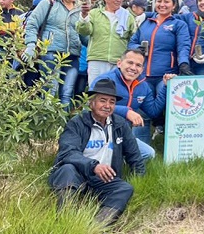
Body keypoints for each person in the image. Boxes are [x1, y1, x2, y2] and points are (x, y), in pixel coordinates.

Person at [48, 77, 145, 226]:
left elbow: (135, 157)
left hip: (103, 180)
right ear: (91, 103)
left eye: (112, 102)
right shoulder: (77, 123)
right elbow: (67, 153)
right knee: (67, 169)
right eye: (103, 100)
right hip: (77, 175)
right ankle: (65, 221)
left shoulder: (120, 124)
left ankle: (96, 227)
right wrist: (93, 166)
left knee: (125, 188)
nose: (107, 105)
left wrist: (140, 181)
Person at [23, 0, 85, 109]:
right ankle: (45, 123)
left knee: (67, 93)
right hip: (51, 52)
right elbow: (32, 24)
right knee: (50, 89)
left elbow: (85, 35)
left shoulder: (80, 8)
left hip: (72, 55)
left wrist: (86, 21)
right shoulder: (49, 4)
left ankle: (64, 126)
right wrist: (31, 45)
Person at [92, 49, 160, 158]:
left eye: (138, 65)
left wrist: (166, 86)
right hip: (97, 133)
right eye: (130, 62)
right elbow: (92, 104)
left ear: (142, 69)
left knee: (148, 153)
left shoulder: (143, 87)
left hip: (122, 134)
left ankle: (128, 170)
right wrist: (126, 112)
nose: (133, 68)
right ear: (119, 63)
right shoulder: (105, 80)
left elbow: (153, 111)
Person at [128, 0, 191, 97]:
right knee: (144, 110)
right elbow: (131, 43)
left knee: (165, 107)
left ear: (173, 5)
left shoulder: (179, 24)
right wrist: (137, 48)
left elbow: (183, 46)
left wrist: (184, 63)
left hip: (166, 75)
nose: (162, 5)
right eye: (159, 1)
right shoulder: (145, 22)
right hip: (143, 75)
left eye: (166, 2)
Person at [77, 0, 137, 84]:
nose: (118, 0)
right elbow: (84, 31)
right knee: (95, 90)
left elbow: (133, 37)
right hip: (97, 59)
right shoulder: (94, 13)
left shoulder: (128, 17)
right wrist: (84, 16)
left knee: (116, 91)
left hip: (118, 61)